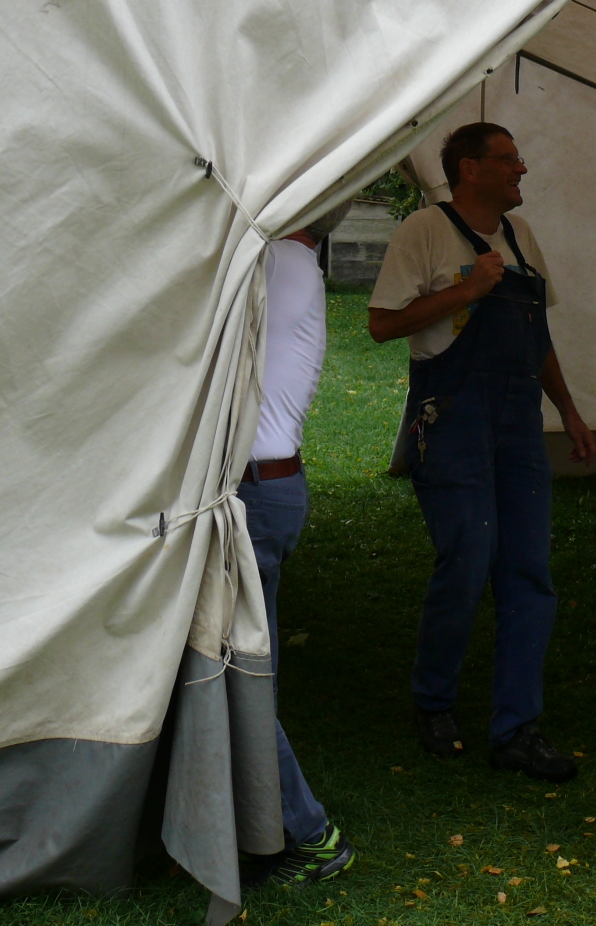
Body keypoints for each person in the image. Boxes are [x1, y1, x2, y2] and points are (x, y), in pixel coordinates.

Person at [368, 122, 596, 783]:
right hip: (453, 422)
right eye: (509, 159)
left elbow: (537, 338)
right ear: (469, 168)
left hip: (519, 428)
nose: (521, 169)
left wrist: (568, 409)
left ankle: (517, 729)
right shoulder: (424, 232)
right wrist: (466, 291)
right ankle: (434, 701)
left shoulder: (522, 239)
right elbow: (382, 324)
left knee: (528, 572)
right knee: (466, 561)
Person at [236, 204, 356, 884]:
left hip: (256, 493)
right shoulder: (297, 262)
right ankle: (258, 825)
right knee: (256, 671)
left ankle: (310, 836)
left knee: (238, 673)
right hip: (271, 489)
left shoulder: (278, 258)